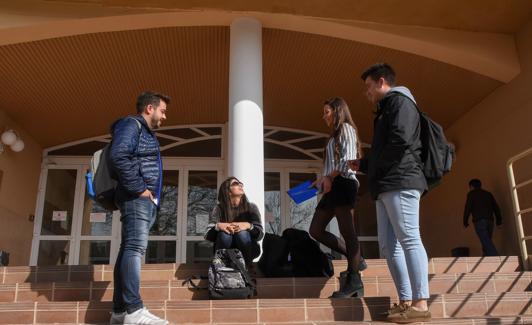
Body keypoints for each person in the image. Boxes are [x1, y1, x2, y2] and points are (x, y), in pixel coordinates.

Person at [351, 63, 431, 323]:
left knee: (409, 238)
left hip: (401, 180)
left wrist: (375, 167)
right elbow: (387, 146)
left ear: (382, 81)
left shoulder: (401, 103)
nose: (367, 92)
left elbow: (400, 140)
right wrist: (363, 165)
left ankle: (420, 303)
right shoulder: (386, 109)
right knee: (388, 246)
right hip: (385, 184)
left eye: (368, 86)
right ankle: (405, 301)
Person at [109, 91, 170, 325]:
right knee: (134, 249)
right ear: (149, 109)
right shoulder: (131, 124)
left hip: (141, 198)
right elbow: (119, 156)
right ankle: (134, 310)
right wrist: (140, 189)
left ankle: (119, 312)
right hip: (136, 198)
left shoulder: (143, 131)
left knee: (128, 249)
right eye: (162, 111)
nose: (164, 117)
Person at [309, 97, 364, 298]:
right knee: (315, 229)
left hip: (344, 184)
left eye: (327, 112)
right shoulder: (332, 137)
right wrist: (322, 180)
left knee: (348, 231)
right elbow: (331, 167)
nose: (324, 116)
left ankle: (354, 278)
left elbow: (348, 162)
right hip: (333, 185)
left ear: (337, 111)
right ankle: (357, 258)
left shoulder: (347, 129)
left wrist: (329, 178)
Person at [205, 177, 265, 267]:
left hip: (249, 250)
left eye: (240, 183)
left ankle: (246, 266)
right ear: (228, 191)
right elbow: (207, 235)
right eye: (235, 184)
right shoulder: (219, 208)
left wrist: (249, 226)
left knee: (242, 234)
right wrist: (218, 226)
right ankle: (222, 264)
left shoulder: (251, 207)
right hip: (225, 250)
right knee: (225, 234)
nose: (240, 185)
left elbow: (259, 235)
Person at [463, 179, 502, 256]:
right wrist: (499, 221)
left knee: (486, 241)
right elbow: (496, 208)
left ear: (471, 186)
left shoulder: (471, 194)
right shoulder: (488, 194)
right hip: (490, 221)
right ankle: (486, 259)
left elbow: (468, 208)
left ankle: (496, 257)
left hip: (479, 221)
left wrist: (465, 221)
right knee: (487, 241)